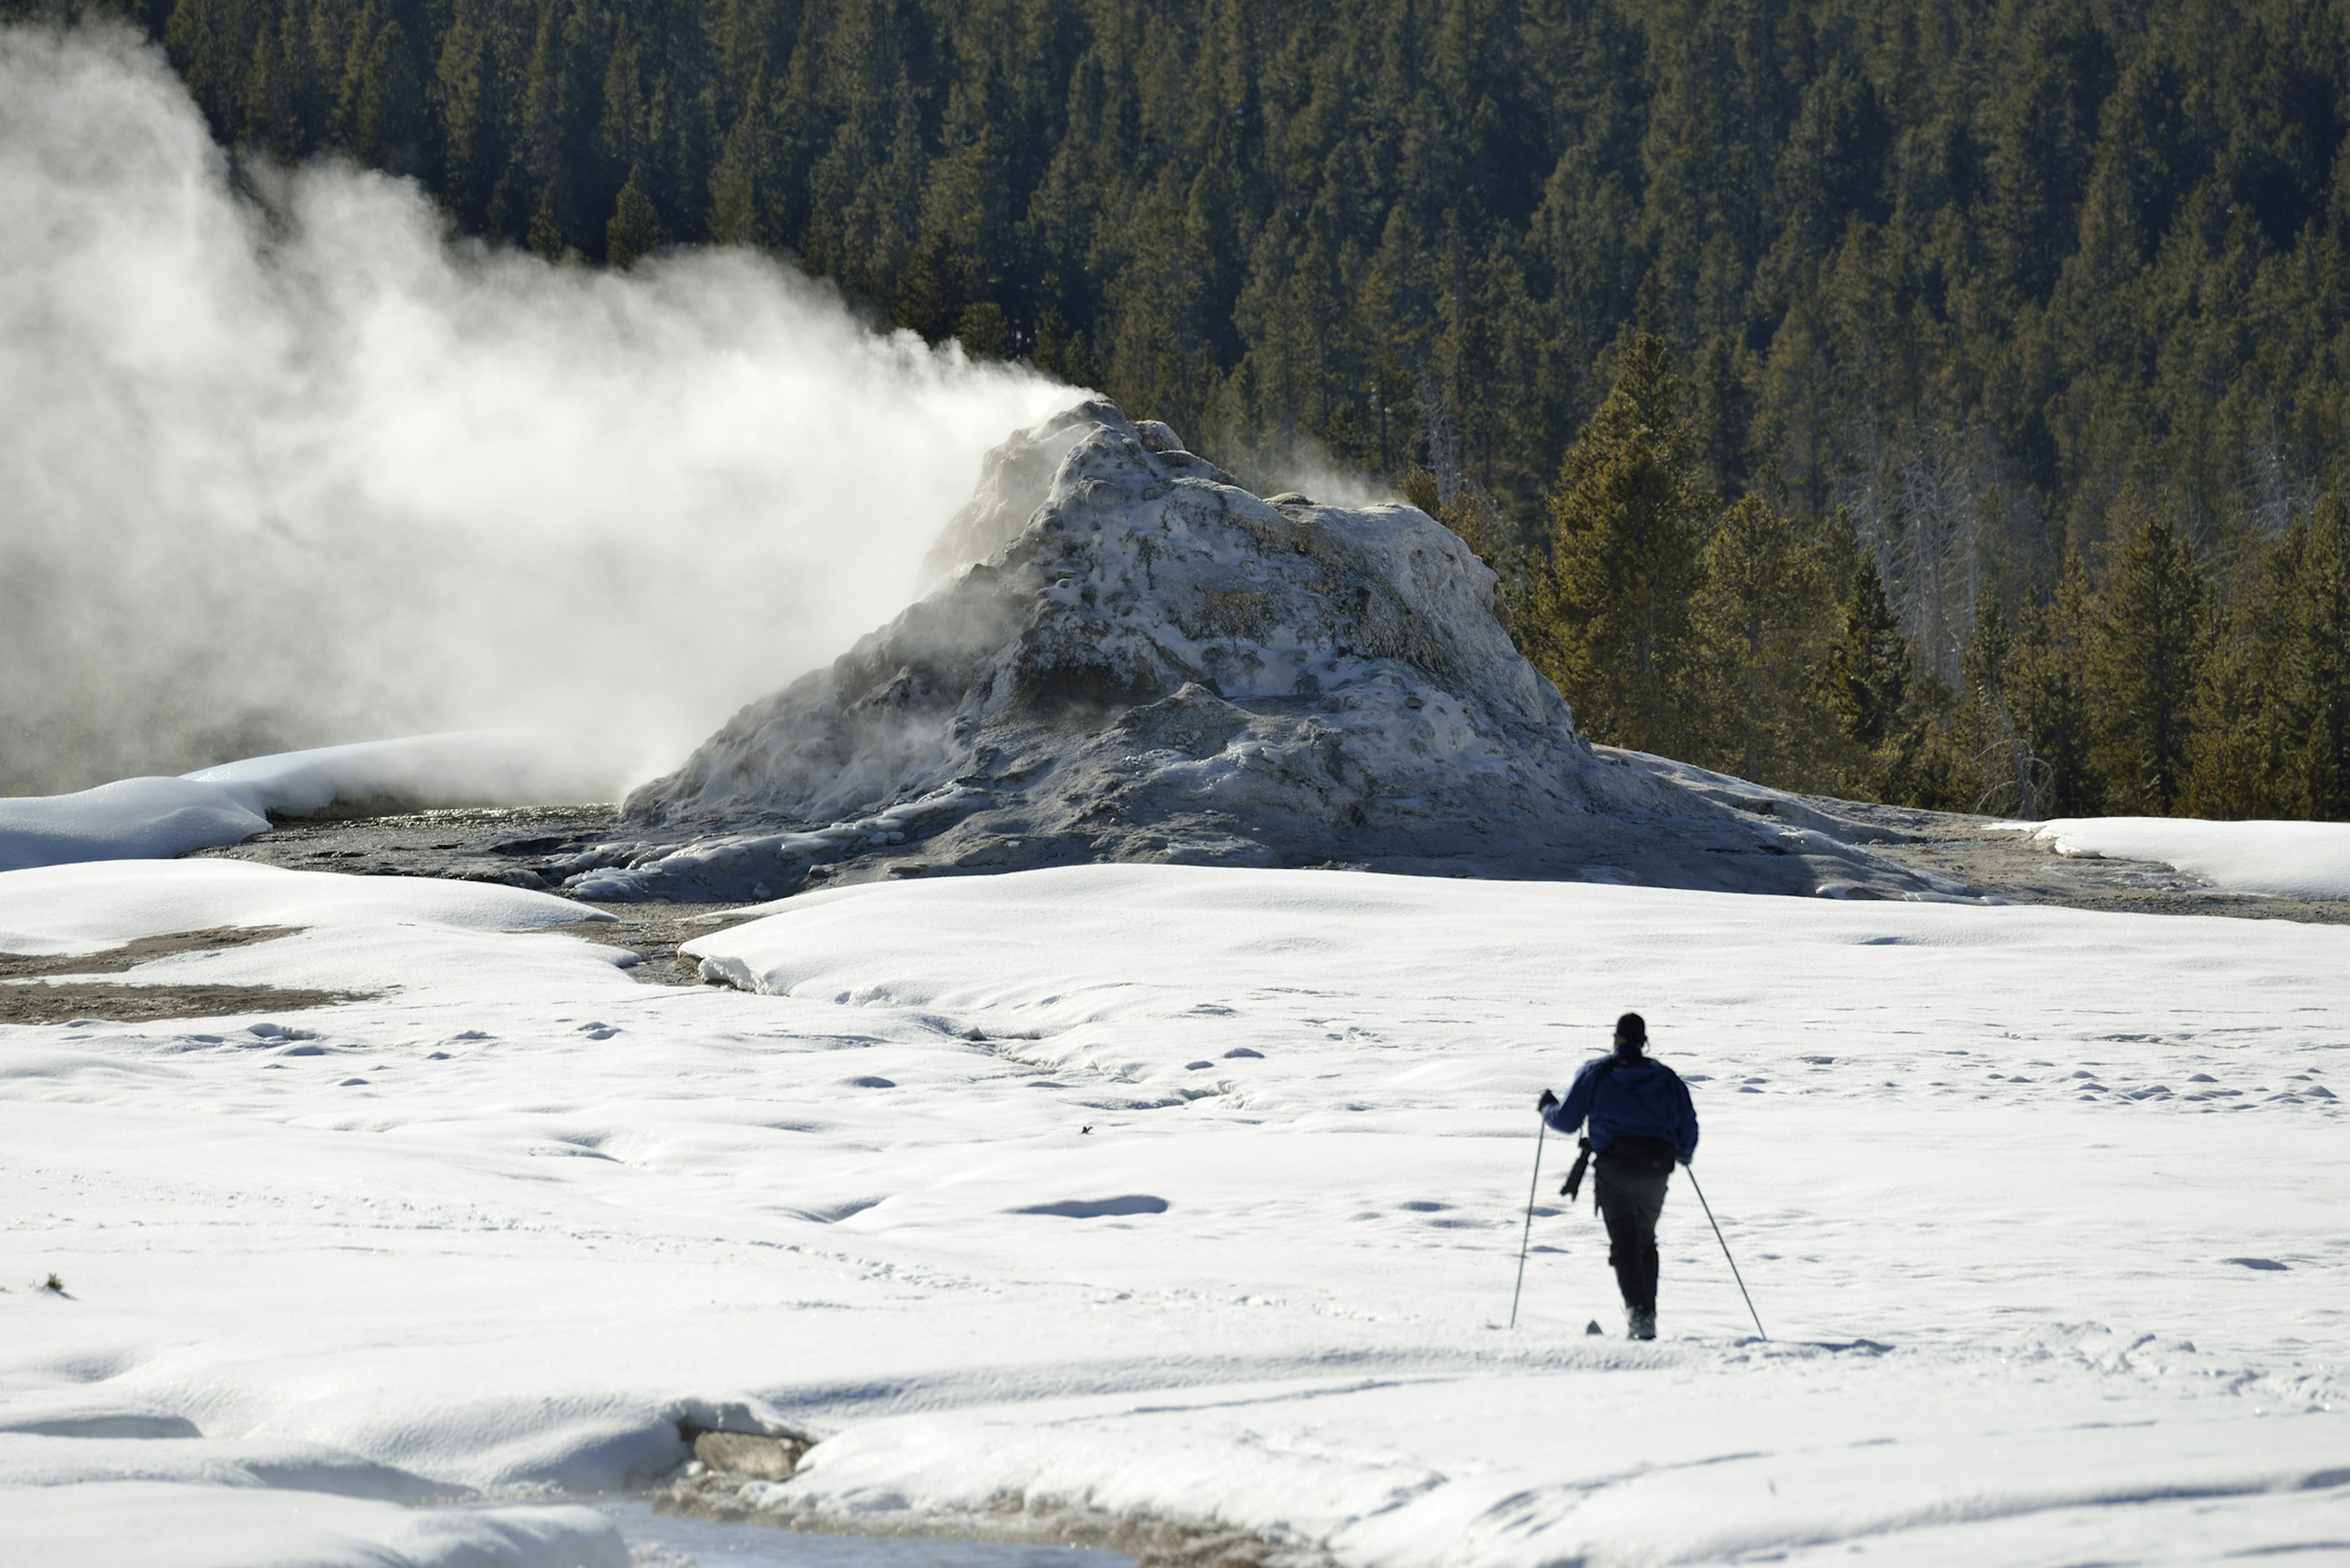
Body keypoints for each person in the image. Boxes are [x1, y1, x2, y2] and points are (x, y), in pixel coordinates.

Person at [1536, 1012, 1699, 1340]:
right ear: (1644, 1041)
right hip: (1656, 1172)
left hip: (1615, 1170)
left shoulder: (1597, 1072)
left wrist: (1546, 1109)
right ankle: (1646, 1317)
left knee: (1625, 1242)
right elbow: (1688, 1125)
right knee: (1645, 1240)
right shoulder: (1666, 1077)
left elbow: (1567, 1121)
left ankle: (1639, 1317)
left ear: (1616, 1039)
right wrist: (1682, 1154)